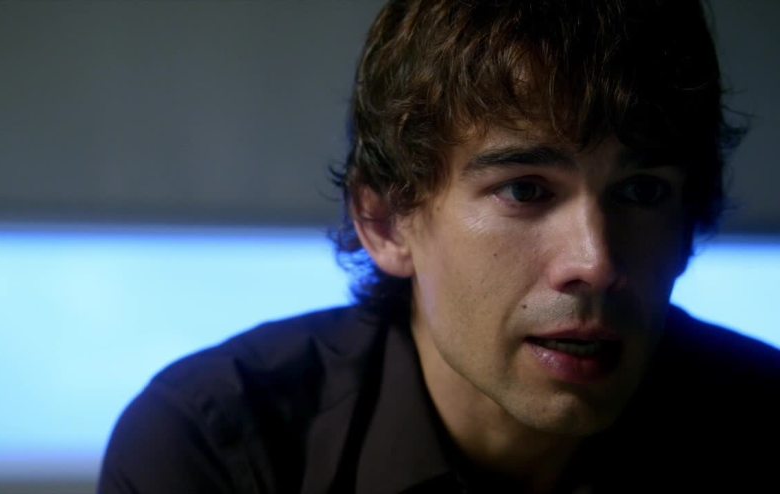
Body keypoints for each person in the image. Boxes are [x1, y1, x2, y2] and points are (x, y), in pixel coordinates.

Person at [99, 1, 780, 492]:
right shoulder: (220, 447)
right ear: (385, 222)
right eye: (525, 190)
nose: (595, 262)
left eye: (641, 192)